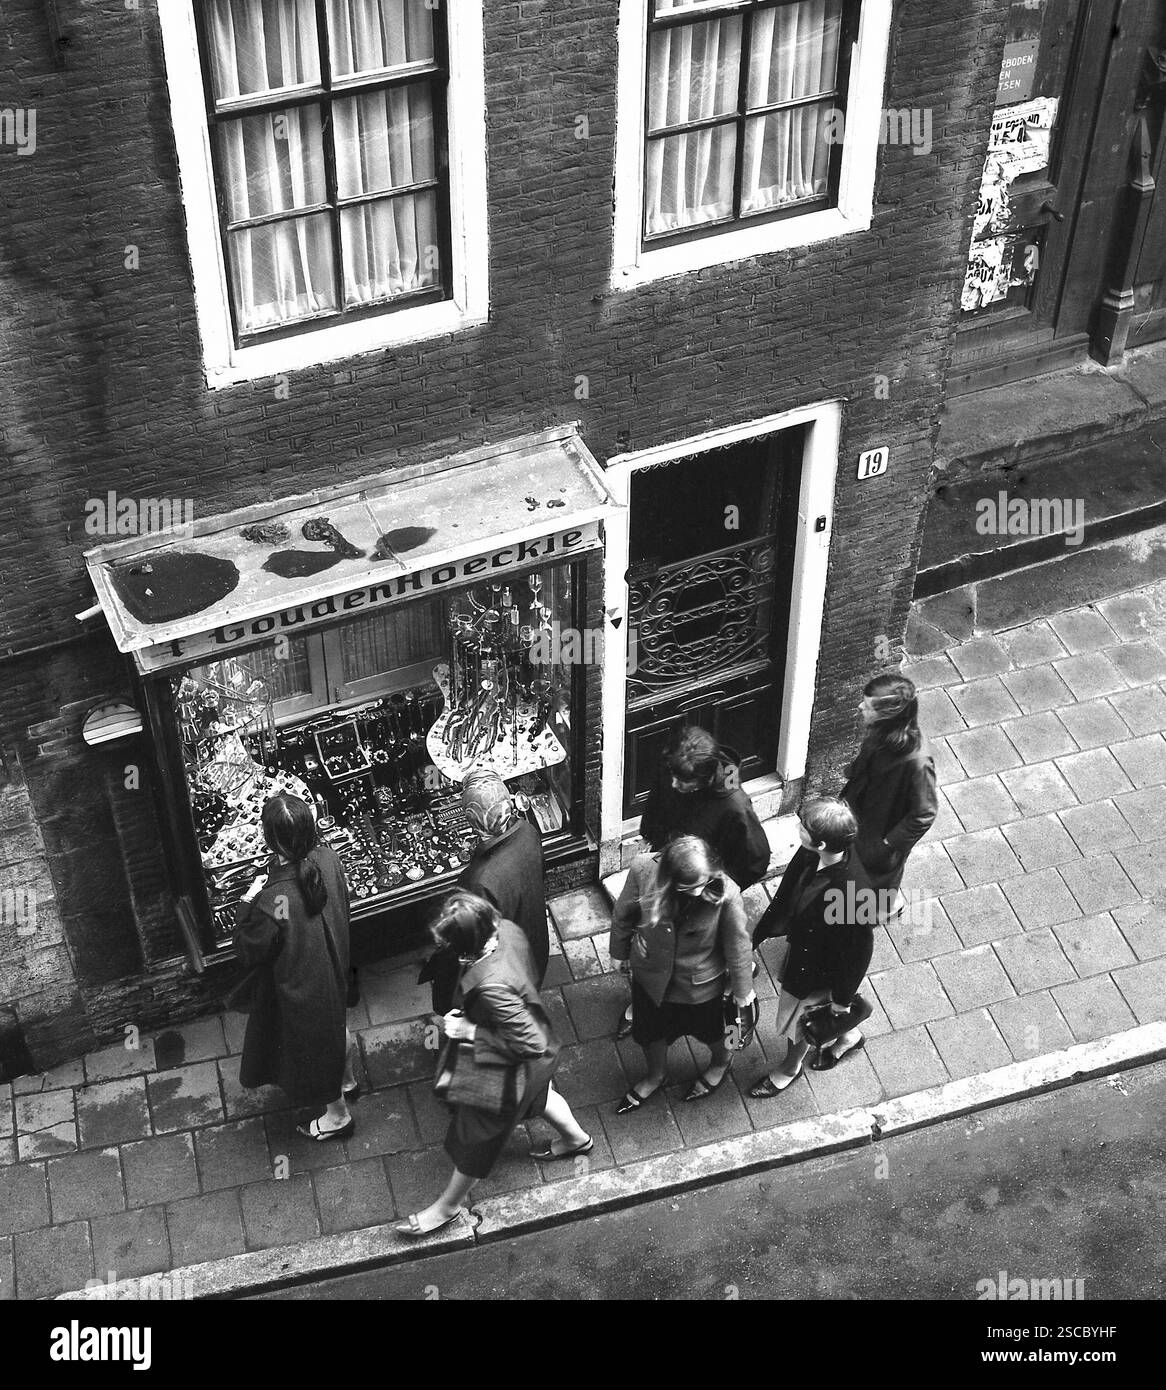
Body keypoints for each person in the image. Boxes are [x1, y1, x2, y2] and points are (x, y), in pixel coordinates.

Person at [395, 891, 591, 1237]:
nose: (439, 946)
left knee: (476, 1138)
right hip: (536, 1060)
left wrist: (470, 1030)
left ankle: (447, 1207)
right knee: (541, 1096)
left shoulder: (491, 988)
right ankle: (577, 1140)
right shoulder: (507, 929)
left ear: (466, 948)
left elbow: (529, 1044)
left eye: (446, 943)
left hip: (510, 1068)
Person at [619, 726, 770, 1038]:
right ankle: (646, 999)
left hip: (701, 888)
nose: (673, 785)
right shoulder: (675, 769)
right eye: (671, 777)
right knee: (652, 933)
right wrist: (654, 840)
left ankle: (723, 984)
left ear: (705, 779)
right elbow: (659, 804)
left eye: (682, 783)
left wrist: (716, 888)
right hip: (667, 867)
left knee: (700, 947)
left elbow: (755, 858)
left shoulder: (733, 805)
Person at [233, 793, 358, 1141]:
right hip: (334, 966)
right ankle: (348, 1081)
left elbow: (250, 948)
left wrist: (247, 901)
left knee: (318, 1047)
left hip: (303, 984)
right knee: (338, 1027)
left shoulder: (277, 898)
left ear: (271, 840)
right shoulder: (330, 860)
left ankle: (338, 1117)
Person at [609, 836, 756, 1110]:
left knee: (718, 1034)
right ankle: (656, 1075)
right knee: (649, 1034)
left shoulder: (727, 893)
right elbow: (623, 913)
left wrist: (742, 990)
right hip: (651, 980)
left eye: (703, 883)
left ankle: (721, 1064)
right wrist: (618, 952)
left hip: (700, 988)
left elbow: (738, 944)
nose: (700, 892)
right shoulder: (643, 868)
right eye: (691, 887)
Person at [748, 798, 875, 1098]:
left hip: (818, 966)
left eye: (802, 827)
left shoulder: (853, 893)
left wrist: (843, 999)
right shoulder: (819, 853)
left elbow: (859, 951)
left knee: (799, 1020)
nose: (797, 828)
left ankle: (790, 1069)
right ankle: (849, 1035)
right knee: (818, 1011)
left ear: (820, 843)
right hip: (807, 947)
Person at [418, 769, 550, 1014]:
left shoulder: (480, 880)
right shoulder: (529, 833)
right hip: (533, 950)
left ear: (470, 818)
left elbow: (468, 948)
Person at [840, 674, 937, 917]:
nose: (860, 707)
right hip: (864, 812)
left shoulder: (918, 762)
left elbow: (925, 813)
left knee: (877, 875)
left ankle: (887, 907)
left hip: (881, 829)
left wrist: (888, 843)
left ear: (887, 715)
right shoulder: (882, 730)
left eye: (868, 705)